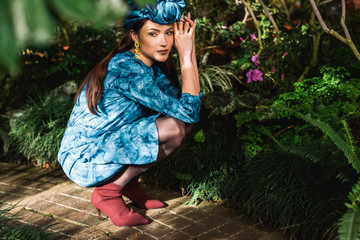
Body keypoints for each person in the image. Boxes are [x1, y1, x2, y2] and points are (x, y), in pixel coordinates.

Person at [57, 0, 201, 227]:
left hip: (105, 144)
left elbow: (187, 110)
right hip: (84, 156)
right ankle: (107, 193)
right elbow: (187, 110)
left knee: (182, 125)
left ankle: (127, 183)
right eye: (153, 34)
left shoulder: (149, 67)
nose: (163, 42)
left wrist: (188, 48)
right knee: (174, 127)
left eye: (169, 33)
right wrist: (184, 55)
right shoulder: (127, 69)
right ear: (135, 36)